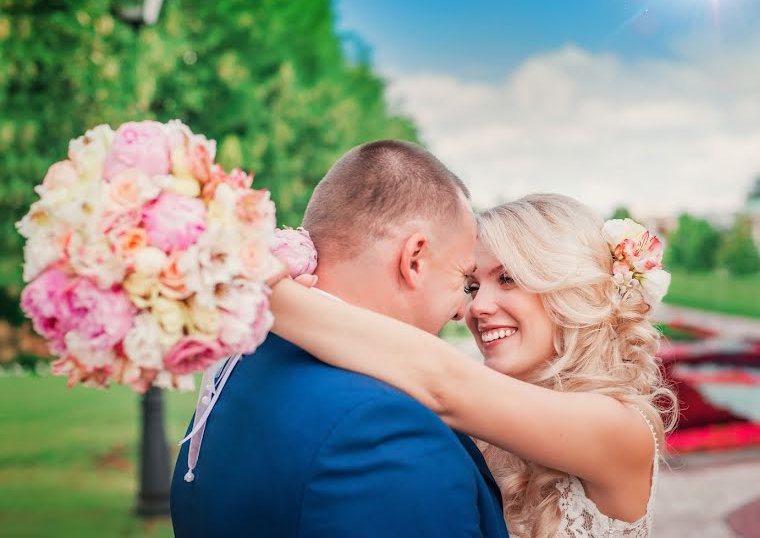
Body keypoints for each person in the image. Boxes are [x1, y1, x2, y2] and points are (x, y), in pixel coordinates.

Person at [270, 193, 678, 538]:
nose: (477, 308)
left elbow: (441, 382)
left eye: (508, 279)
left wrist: (261, 290)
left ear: (567, 288)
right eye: (472, 286)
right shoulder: (490, 402)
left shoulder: (620, 429)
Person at [170, 140, 508, 537]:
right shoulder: (386, 433)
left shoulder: (241, 364)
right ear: (414, 259)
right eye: (462, 279)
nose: (460, 310)